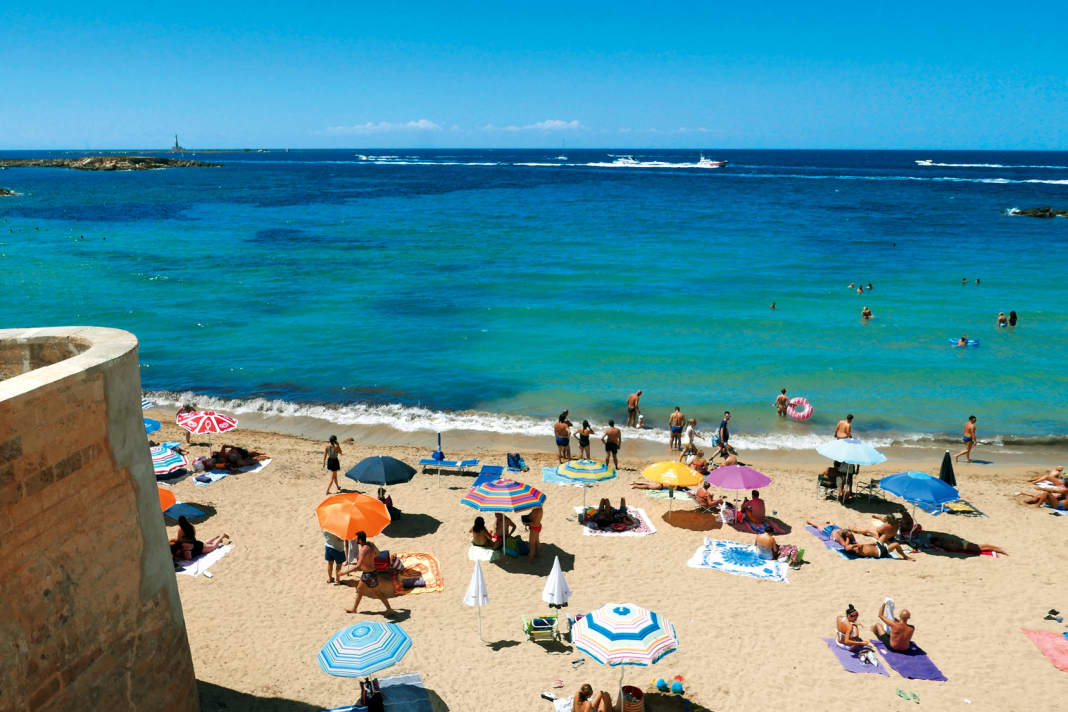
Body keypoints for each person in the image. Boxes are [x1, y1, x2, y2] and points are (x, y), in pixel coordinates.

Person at [343, 531, 396, 616]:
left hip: (369, 575)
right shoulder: (371, 544)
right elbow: (378, 553)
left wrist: (344, 572)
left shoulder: (363, 551)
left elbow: (357, 566)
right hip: (368, 573)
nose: (355, 540)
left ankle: (389, 609)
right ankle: (354, 609)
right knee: (359, 590)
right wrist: (370, 558)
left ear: (360, 540)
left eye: (356, 538)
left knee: (377, 592)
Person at [843, 540, 913, 560]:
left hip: (878, 547)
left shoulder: (857, 549)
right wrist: (853, 545)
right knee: (896, 544)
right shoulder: (858, 551)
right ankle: (905, 557)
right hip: (881, 552)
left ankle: (889, 546)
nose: (852, 545)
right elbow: (861, 545)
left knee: (883, 536)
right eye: (851, 546)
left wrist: (872, 543)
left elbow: (864, 545)